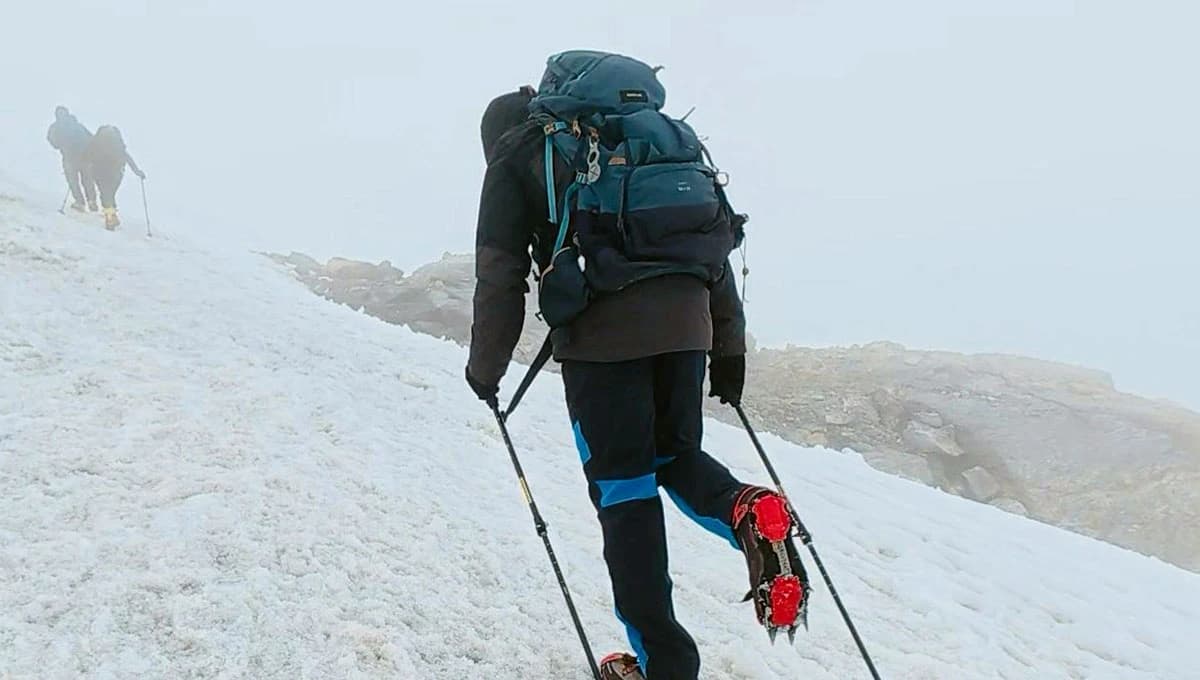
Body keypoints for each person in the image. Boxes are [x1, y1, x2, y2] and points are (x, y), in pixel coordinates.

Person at [466, 55, 807, 680]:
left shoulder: (518, 151)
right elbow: (714, 253)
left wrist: (486, 370)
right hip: (688, 330)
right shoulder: (658, 142)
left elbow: (501, 273)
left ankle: (664, 667)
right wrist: (728, 351)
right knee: (677, 457)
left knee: (625, 496)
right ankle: (748, 508)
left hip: (603, 343)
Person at [86, 125, 145, 230]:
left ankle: (110, 219)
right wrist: (138, 172)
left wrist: (83, 164)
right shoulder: (117, 145)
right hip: (116, 174)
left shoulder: (95, 143)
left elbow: (87, 156)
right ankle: (112, 216)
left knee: (105, 195)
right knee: (110, 194)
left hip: (99, 173)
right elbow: (127, 158)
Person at [46, 106, 97, 212]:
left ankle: (80, 202)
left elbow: (52, 140)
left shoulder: (55, 127)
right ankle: (92, 200)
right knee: (87, 180)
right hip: (85, 157)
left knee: (72, 181)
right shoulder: (78, 126)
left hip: (69, 158)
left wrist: (61, 146)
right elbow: (92, 138)